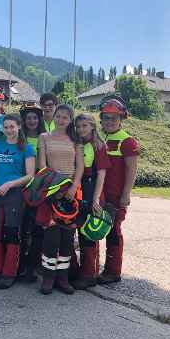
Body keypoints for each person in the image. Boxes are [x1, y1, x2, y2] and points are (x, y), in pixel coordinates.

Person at [37, 104, 84, 295]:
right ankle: (48, 278)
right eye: (58, 116)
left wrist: (73, 187)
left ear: (70, 120)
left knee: (67, 237)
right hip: (50, 189)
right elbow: (42, 165)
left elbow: (79, 166)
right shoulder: (44, 137)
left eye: (65, 117)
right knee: (51, 235)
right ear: (53, 116)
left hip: (72, 192)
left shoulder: (76, 140)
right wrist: (53, 188)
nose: (61, 120)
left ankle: (62, 278)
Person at [0, 114, 35, 289]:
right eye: (6, 127)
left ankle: (9, 272)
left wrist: (10, 184)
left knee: (11, 233)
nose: (9, 130)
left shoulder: (26, 148)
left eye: (12, 127)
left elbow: (30, 176)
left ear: (19, 127)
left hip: (14, 194)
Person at [98, 95, 139, 284]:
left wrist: (126, 194)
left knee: (114, 232)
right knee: (96, 229)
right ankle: (94, 268)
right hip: (100, 194)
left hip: (116, 196)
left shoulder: (127, 141)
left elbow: (132, 170)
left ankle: (113, 271)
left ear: (121, 119)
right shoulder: (99, 137)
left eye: (114, 118)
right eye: (106, 117)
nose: (109, 121)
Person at [72, 112, 112, 289]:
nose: (81, 129)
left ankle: (90, 274)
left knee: (89, 233)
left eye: (84, 126)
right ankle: (83, 271)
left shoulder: (99, 145)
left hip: (92, 190)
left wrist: (96, 198)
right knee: (80, 232)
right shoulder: (78, 144)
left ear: (93, 126)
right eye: (79, 126)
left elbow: (101, 174)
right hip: (79, 190)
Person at [19, 102, 46, 282]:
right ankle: (19, 263)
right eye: (28, 117)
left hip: (38, 185)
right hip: (20, 184)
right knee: (21, 226)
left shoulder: (45, 138)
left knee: (37, 226)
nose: (31, 120)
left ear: (39, 119)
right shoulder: (18, 138)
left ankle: (33, 265)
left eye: (35, 117)